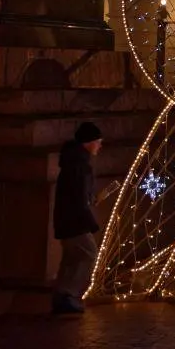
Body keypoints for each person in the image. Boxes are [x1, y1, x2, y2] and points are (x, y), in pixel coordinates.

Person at [53, 121, 104, 314]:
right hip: (76, 222)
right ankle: (69, 294)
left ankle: (61, 294)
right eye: (98, 141)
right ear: (89, 142)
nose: (100, 146)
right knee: (88, 253)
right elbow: (79, 199)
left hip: (66, 221)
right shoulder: (81, 166)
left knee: (71, 258)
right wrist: (91, 223)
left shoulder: (71, 162)